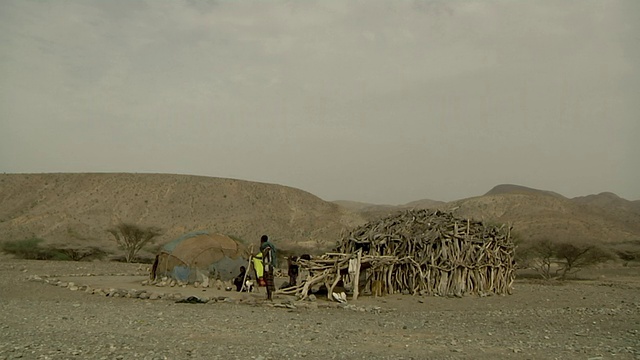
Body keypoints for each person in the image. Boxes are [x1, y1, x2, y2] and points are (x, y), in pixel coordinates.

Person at [259, 234, 277, 300]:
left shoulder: (267, 247)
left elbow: (264, 254)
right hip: (268, 266)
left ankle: (269, 297)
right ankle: (269, 296)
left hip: (268, 267)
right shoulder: (268, 247)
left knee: (268, 281)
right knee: (268, 281)